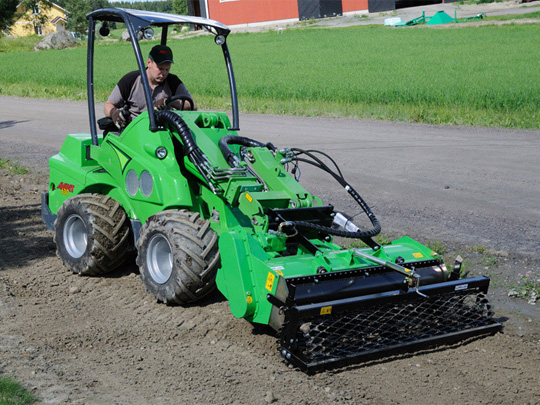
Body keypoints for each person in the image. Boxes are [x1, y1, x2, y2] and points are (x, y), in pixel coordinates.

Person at [104, 44, 196, 130]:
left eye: (167, 69)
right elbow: (107, 105)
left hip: (163, 131)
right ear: (149, 63)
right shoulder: (130, 80)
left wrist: (169, 101)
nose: (164, 73)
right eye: (160, 69)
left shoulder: (173, 82)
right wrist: (114, 113)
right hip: (134, 131)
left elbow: (193, 106)